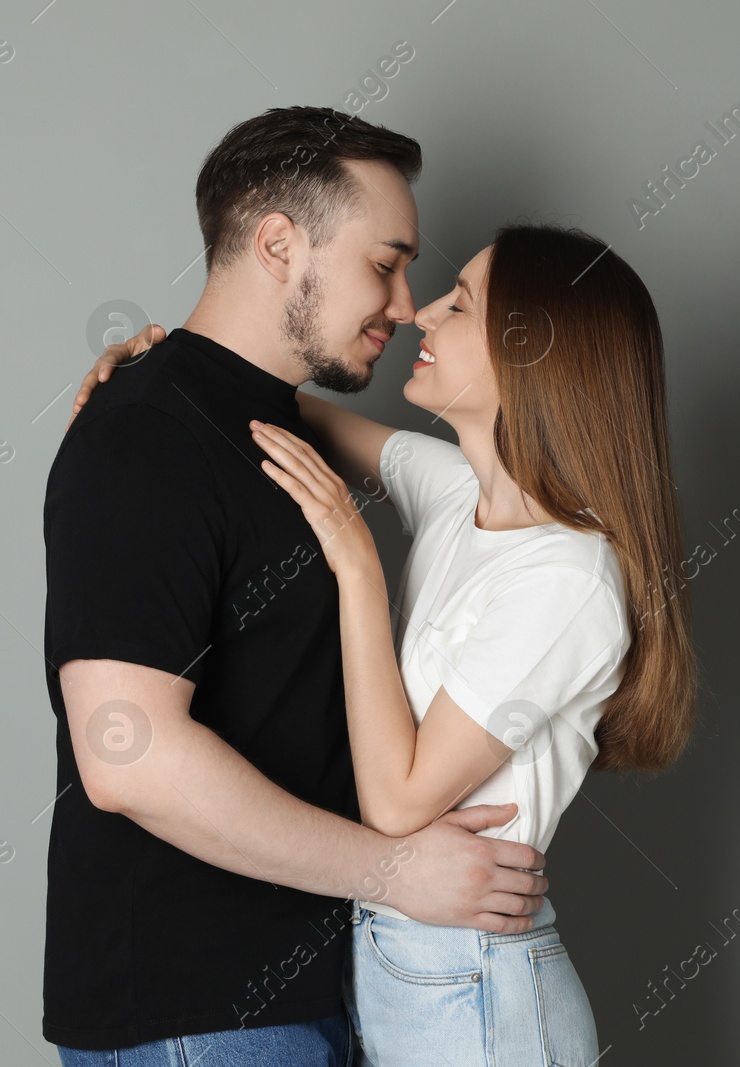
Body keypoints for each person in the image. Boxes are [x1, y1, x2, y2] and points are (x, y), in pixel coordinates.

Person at [74, 225, 700, 1066]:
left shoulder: (570, 577)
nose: (422, 315)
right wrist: (163, 366)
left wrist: (359, 568)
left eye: (460, 302)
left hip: (477, 991)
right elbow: (267, 408)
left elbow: (400, 804)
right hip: (400, 967)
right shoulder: (455, 493)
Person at [42, 106, 555, 1067]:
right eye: (385, 262)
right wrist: (398, 870)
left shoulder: (259, 423)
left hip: (316, 991)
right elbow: (128, 757)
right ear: (279, 243)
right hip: (198, 1015)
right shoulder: (146, 438)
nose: (405, 305)